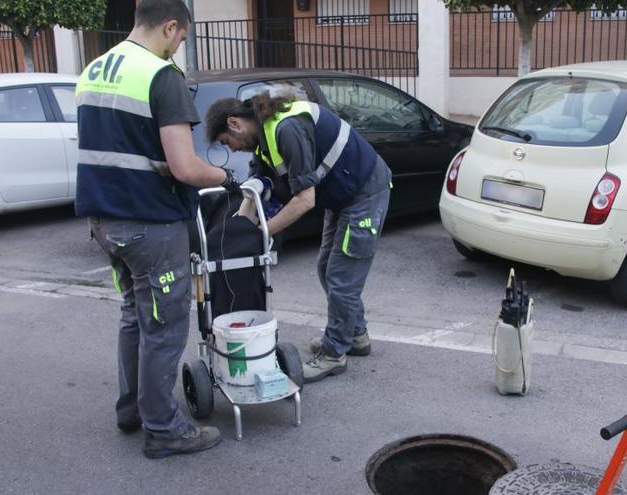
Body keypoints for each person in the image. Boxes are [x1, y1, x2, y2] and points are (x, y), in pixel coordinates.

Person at [75, 0, 246, 458]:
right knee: (165, 326)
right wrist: (225, 178)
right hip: (151, 223)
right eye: (182, 38)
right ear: (171, 26)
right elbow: (185, 167)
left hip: (106, 221)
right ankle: (164, 430)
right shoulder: (160, 75)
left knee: (135, 314)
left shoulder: (95, 68)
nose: (179, 47)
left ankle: (132, 409)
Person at [204, 93, 392, 384]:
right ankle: (355, 335)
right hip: (341, 196)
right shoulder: (265, 134)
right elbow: (257, 183)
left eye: (229, 143)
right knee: (325, 269)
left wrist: (259, 236)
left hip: (364, 194)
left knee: (342, 277)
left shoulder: (286, 128)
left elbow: (305, 200)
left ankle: (333, 354)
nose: (236, 150)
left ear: (234, 123)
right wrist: (238, 225)